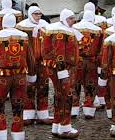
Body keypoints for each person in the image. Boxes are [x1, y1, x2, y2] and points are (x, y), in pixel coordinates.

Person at [0, 13, 36, 140]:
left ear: (3, 23)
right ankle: (18, 134)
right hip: (20, 76)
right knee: (18, 105)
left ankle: (1, 134)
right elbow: (31, 59)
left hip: (3, 76)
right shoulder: (23, 37)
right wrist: (31, 75)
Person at [42, 9, 82, 138]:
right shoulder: (61, 32)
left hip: (60, 69)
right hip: (62, 69)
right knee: (66, 96)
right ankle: (65, 127)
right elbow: (59, 53)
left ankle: (57, 125)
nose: (73, 20)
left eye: (73, 18)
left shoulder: (61, 29)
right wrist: (62, 71)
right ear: (64, 19)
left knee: (59, 96)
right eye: (70, 18)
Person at [16, 6, 52, 126]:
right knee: (28, 87)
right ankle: (28, 113)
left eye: (40, 14)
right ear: (31, 14)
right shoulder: (22, 26)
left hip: (42, 62)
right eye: (36, 14)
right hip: (28, 62)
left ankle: (43, 112)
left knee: (43, 87)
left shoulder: (45, 25)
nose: (38, 16)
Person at [71, 10, 103, 119]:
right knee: (90, 85)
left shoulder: (74, 28)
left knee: (75, 84)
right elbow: (101, 49)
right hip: (91, 62)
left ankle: (73, 109)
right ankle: (89, 109)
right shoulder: (98, 30)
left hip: (76, 61)